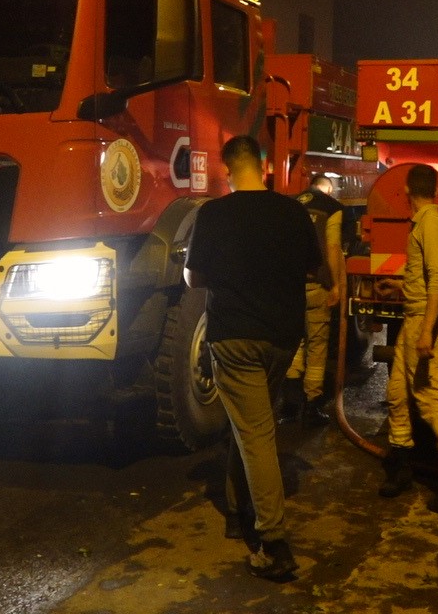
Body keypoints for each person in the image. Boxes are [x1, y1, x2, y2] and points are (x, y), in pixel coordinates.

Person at [183, 135, 321, 582]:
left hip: (234, 337)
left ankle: (274, 542)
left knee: (255, 431)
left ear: (227, 172)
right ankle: (236, 511)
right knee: (250, 423)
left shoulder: (213, 213)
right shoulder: (293, 212)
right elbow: (317, 269)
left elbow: (193, 279)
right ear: (264, 168)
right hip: (282, 338)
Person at [372, 164, 438, 517]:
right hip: (415, 317)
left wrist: (425, 332)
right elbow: (424, 282)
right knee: (397, 395)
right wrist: (399, 286)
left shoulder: (431, 225)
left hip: (426, 324)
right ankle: (400, 467)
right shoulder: (426, 223)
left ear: (407, 189)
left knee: (432, 399)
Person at [282, 174, 345, 427]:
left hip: (290, 286)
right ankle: (312, 405)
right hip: (316, 286)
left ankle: (288, 405)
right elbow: (332, 247)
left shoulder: (292, 204)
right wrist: (337, 284)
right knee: (317, 344)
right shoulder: (331, 208)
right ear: (328, 189)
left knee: (295, 342)